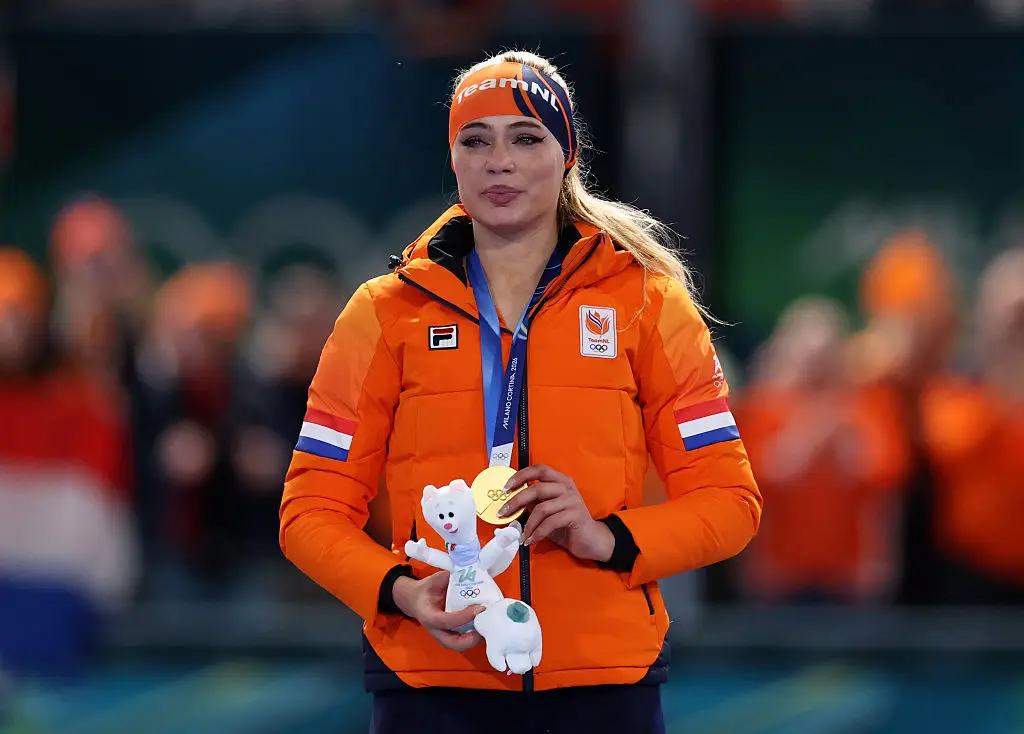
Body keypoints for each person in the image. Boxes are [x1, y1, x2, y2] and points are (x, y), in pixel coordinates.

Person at [279, 50, 763, 734]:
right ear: (453, 159)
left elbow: (732, 502)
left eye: (526, 138)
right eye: (476, 141)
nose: (498, 161)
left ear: (566, 155)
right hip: (432, 684)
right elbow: (309, 511)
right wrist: (403, 593)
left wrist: (609, 538)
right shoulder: (383, 315)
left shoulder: (648, 305)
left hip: (601, 684)